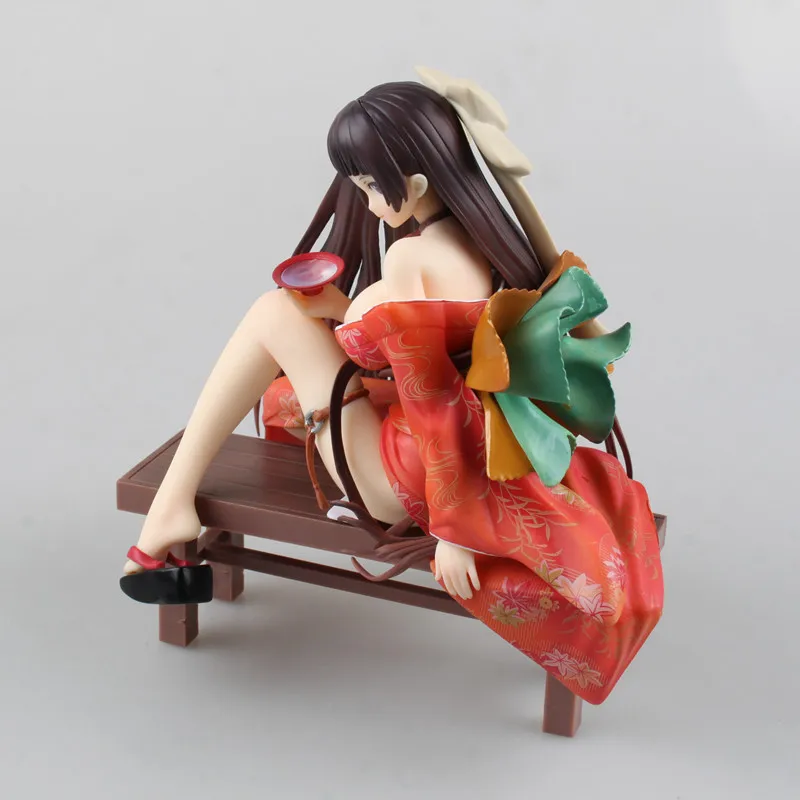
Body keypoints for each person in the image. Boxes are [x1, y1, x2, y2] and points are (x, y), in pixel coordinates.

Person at [121, 70, 664, 704]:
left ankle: (169, 510)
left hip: (407, 475)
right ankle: (170, 508)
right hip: (457, 449)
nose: (366, 201)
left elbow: (435, 401)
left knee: (269, 313)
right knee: (280, 318)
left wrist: (453, 533)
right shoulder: (479, 240)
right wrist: (344, 310)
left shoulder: (411, 258)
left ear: (415, 185)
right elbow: (433, 342)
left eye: (368, 186)